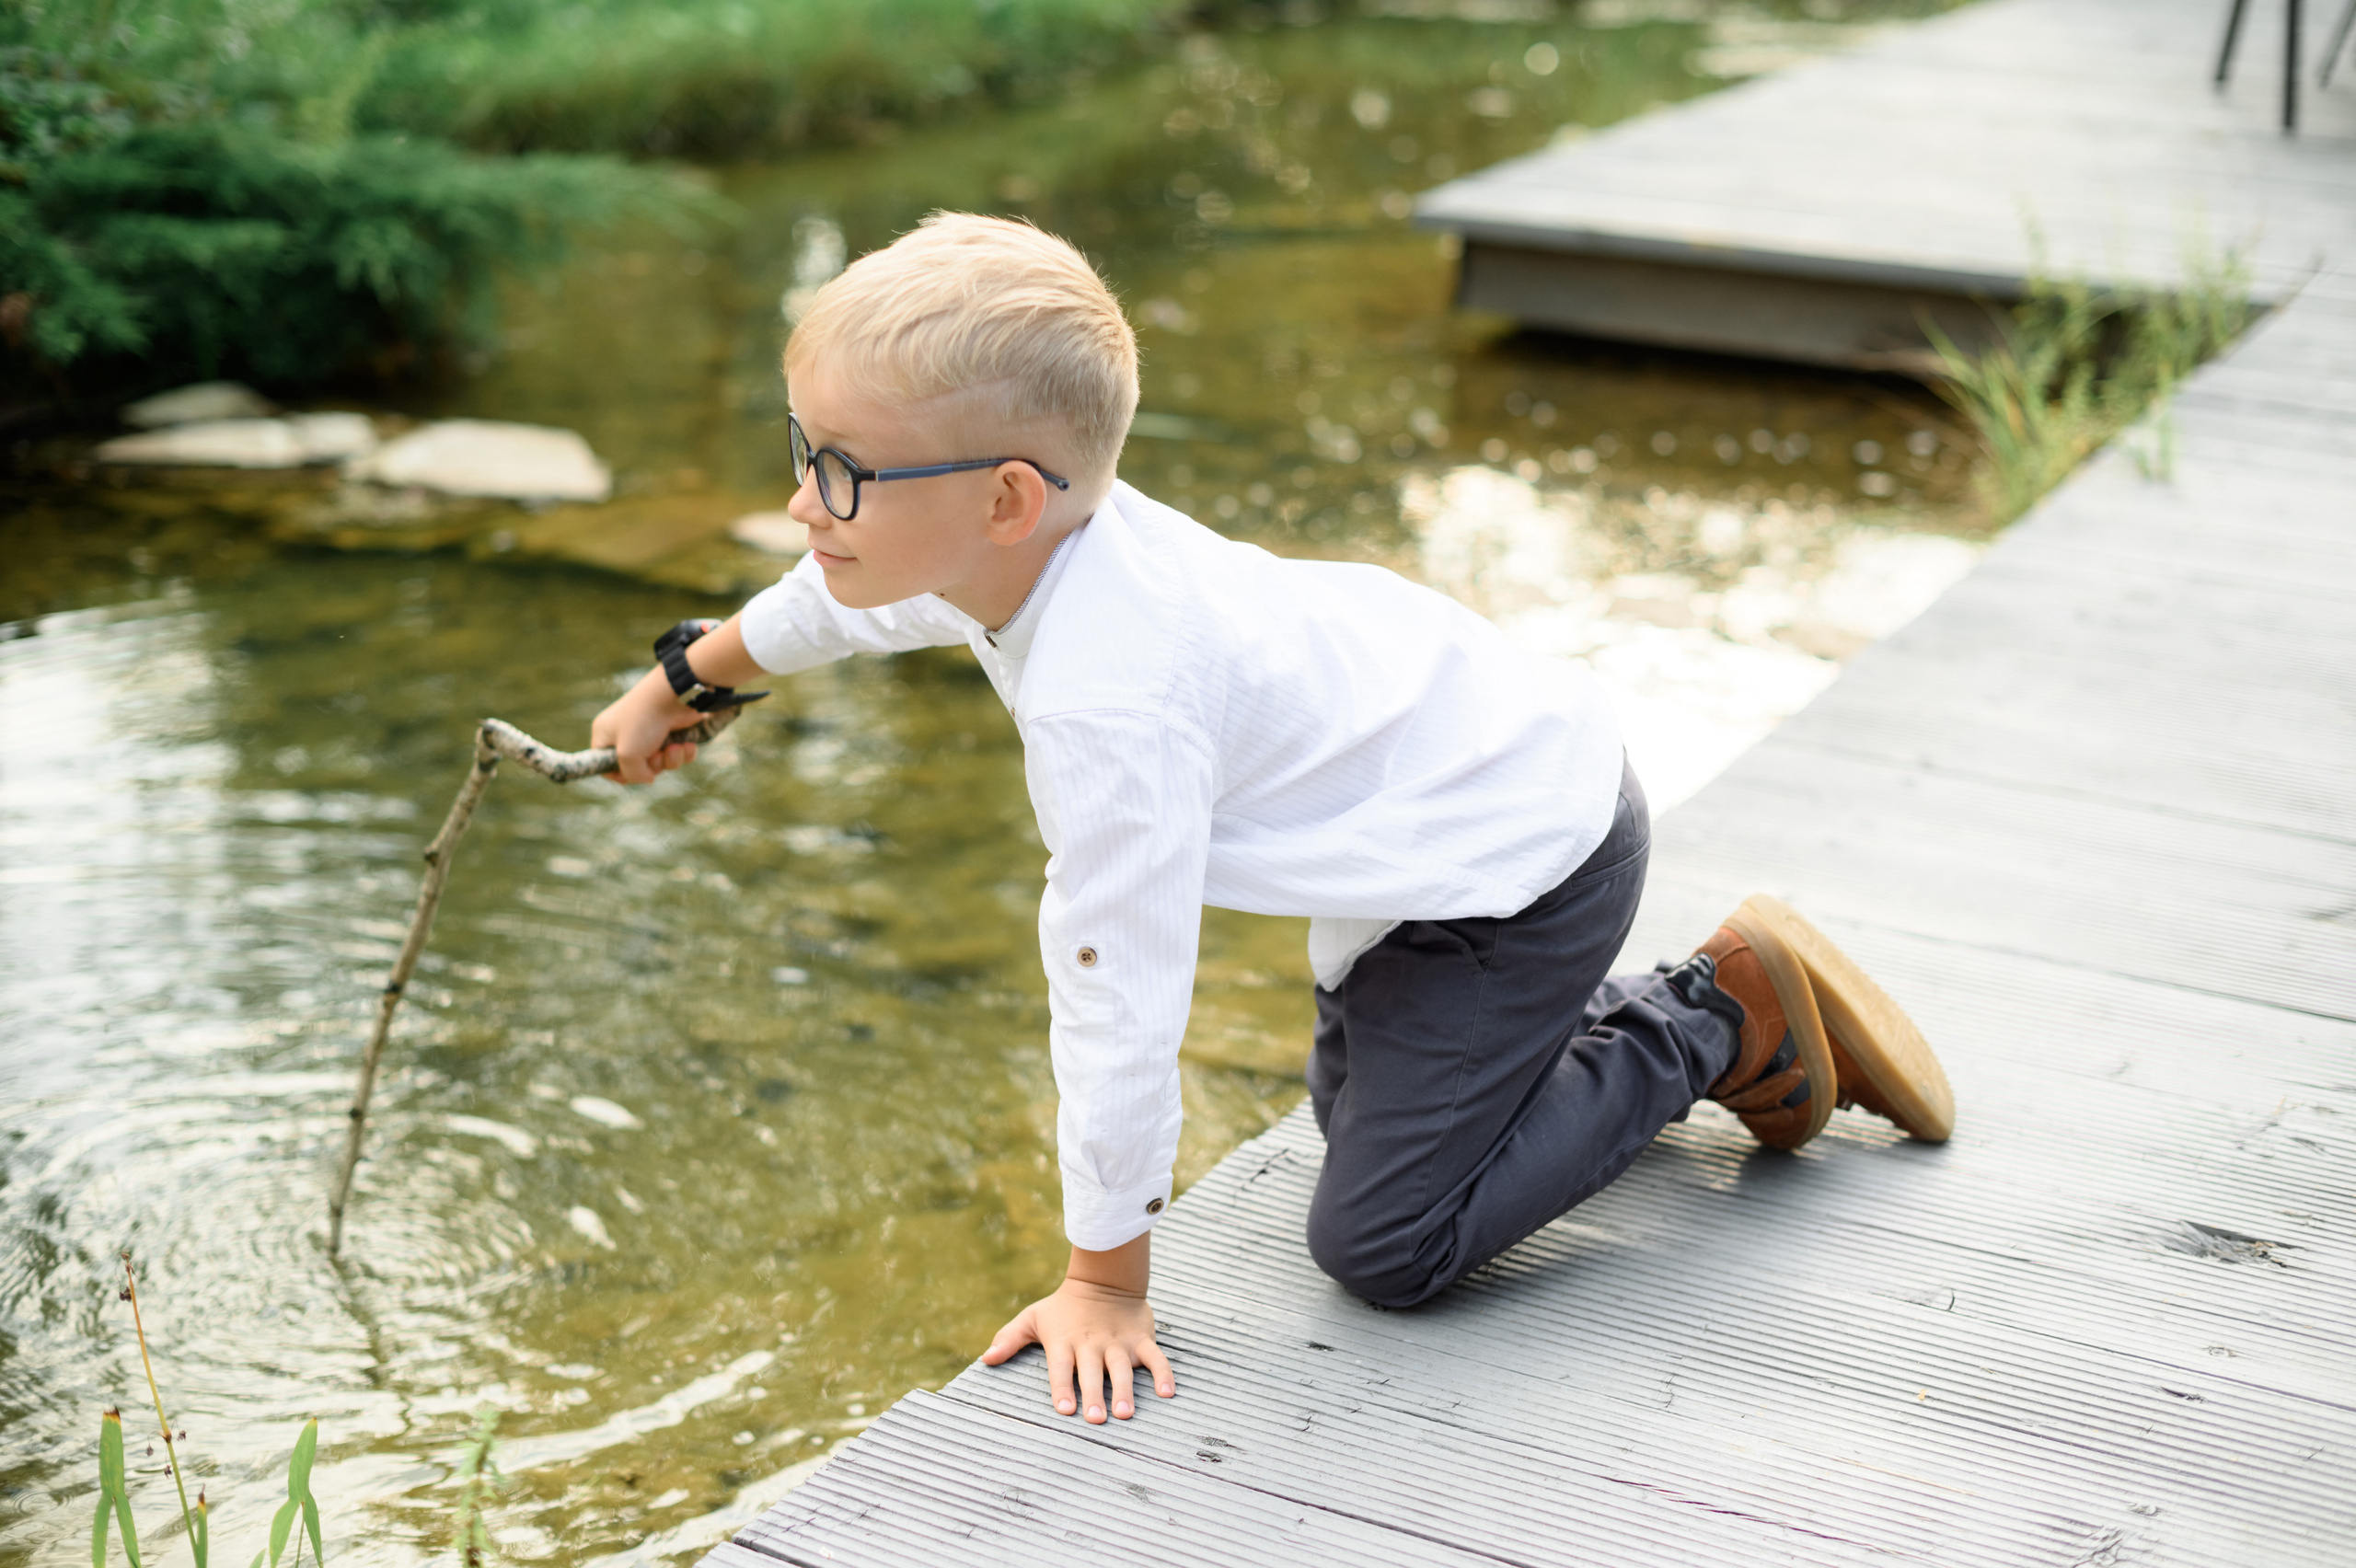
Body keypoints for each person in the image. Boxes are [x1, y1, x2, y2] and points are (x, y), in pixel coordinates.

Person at [590, 213, 1955, 1429]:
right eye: (801, 450)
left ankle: (1713, 1013)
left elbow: (1118, 993)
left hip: (1523, 856)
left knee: (1387, 1242)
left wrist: (1104, 1280)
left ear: (1003, 499)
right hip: (1441, 812)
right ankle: (1604, 1025)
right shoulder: (1032, 538)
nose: (800, 501)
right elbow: (848, 591)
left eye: (838, 470)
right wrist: (691, 677)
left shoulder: (1109, 703)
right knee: (1346, 1112)